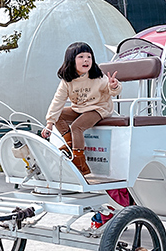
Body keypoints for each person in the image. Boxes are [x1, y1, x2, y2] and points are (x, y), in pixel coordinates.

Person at [41, 42, 121, 175]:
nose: (86, 60)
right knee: (59, 114)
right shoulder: (68, 80)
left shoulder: (98, 77)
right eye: (81, 57)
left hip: (99, 108)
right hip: (79, 108)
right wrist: (49, 123)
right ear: (71, 60)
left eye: (89, 57)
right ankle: (70, 145)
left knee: (76, 127)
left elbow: (112, 91)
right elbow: (58, 100)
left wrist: (113, 86)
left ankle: (79, 162)